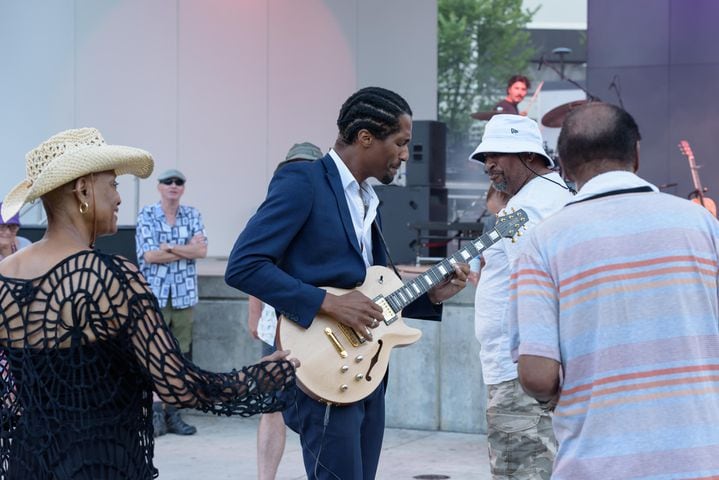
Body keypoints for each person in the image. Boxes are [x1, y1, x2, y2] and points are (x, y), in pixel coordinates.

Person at [0, 127, 297, 479]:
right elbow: (178, 385)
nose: (119, 198)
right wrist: (260, 377)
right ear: (83, 190)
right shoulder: (110, 277)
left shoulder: (5, 273)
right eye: (112, 185)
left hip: (27, 462)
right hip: (99, 463)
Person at [225, 86, 470, 480]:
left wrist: (431, 297)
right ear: (366, 137)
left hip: (363, 372)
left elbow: (369, 292)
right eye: (401, 143)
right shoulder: (303, 181)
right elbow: (243, 264)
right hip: (318, 367)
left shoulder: (365, 199)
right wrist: (327, 303)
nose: (406, 154)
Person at [511, 103, 719, 479]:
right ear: (636, 153)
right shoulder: (702, 225)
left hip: (596, 465)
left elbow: (537, 376)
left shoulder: (543, 242)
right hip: (703, 461)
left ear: (565, 165)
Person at [468, 114, 574, 479]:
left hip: (519, 371)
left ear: (530, 155)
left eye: (498, 155)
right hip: (540, 365)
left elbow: (533, 289)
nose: (489, 165)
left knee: (520, 469)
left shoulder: (522, 209)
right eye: (485, 158)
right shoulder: (562, 197)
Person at [247, 141, 323, 480]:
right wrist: (255, 314)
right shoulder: (274, 208)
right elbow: (253, 265)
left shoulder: (329, 213)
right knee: (272, 406)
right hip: (275, 325)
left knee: (318, 409)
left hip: (321, 326)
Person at [136, 168, 207, 436]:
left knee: (178, 356)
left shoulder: (193, 214)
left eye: (179, 182)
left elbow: (201, 250)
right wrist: (184, 249)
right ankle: (155, 412)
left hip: (183, 296)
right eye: (168, 182)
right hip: (154, 295)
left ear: (183, 188)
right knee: (155, 353)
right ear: (159, 187)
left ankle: (173, 413)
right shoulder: (147, 214)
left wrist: (169, 248)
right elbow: (149, 256)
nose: (173, 186)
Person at [469, 186, 512, 286]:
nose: (496, 220)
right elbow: (479, 252)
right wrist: (475, 268)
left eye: (499, 214)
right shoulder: (490, 222)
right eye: (494, 215)